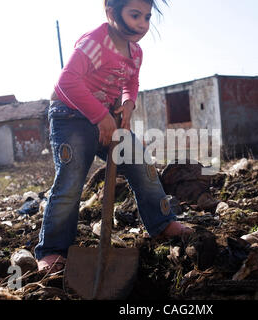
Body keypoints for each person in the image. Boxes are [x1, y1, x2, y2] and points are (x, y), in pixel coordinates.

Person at [35, 0, 192, 273]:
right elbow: (67, 81)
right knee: (71, 181)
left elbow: (131, 82)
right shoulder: (94, 43)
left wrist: (129, 103)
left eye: (146, 17)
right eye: (134, 15)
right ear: (111, 12)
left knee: (142, 165)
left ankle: (162, 223)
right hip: (70, 116)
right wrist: (100, 116)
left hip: (108, 117)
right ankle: (52, 250)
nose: (142, 24)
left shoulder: (136, 52)